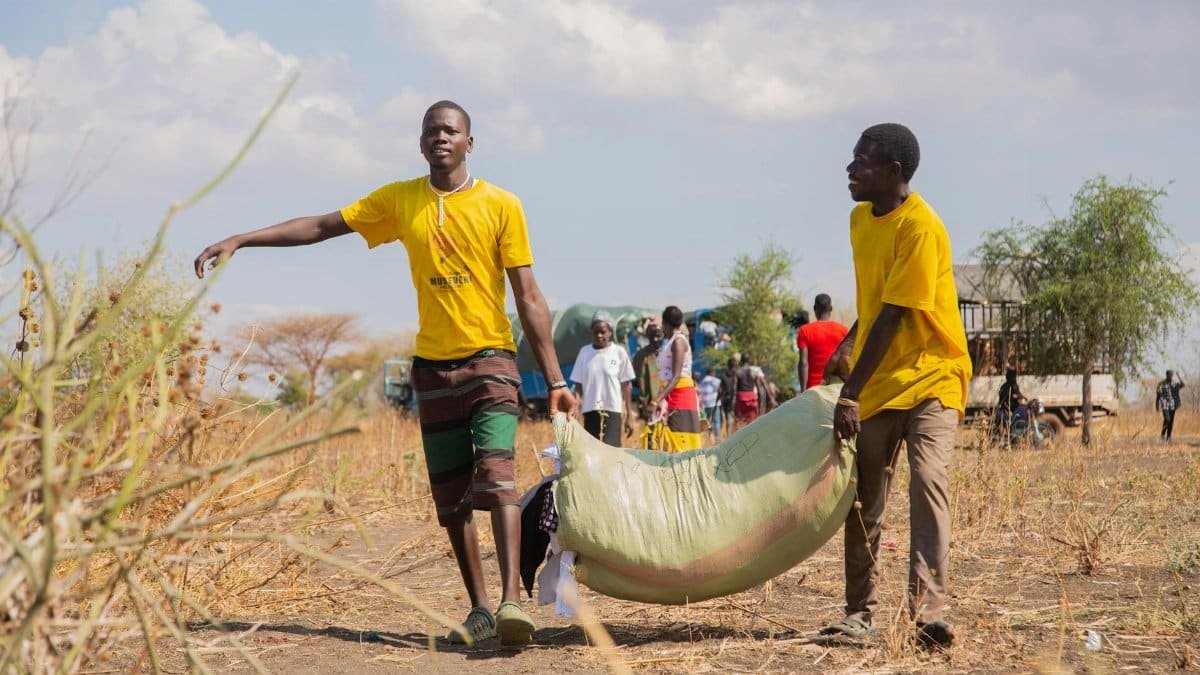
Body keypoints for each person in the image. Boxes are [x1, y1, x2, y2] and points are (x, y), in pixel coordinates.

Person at [193, 101, 574, 647]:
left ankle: (514, 600)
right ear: (421, 144)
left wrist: (557, 381)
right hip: (431, 370)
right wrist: (242, 239)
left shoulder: (501, 205)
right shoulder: (400, 200)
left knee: (497, 480)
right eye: (431, 131)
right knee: (452, 499)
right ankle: (481, 610)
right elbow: (322, 225)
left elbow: (529, 295)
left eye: (451, 130)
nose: (440, 137)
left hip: (490, 359)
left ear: (471, 142)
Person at [819, 123, 971, 649]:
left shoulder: (921, 227)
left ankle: (928, 613)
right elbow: (877, 303)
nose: (850, 168)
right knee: (864, 500)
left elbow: (897, 316)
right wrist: (848, 344)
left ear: (893, 173)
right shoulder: (861, 219)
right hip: (882, 379)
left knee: (928, 482)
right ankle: (858, 614)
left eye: (862, 161)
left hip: (933, 375)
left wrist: (850, 391)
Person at [570, 311, 635, 445]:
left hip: (612, 411)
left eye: (603, 332)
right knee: (592, 454)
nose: (599, 335)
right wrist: (576, 406)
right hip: (590, 411)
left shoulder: (619, 352)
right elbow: (578, 385)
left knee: (611, 454)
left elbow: (626, 386)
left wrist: (629, 415)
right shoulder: (584, 352)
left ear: (610, 332)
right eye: (596, 332)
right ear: (591, 332)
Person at [646, 305, 703, 452]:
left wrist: (656, 400)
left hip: (681, 394)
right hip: (671, 393)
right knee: (669, 444)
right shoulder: (670, 342)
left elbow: (676, 376)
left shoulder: (678, 342)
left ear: (665, 323)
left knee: (680, 442)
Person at [796, 294, 850, 392]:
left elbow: (803, 363)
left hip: (813, 390)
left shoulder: (805, 331)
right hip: (836, 388)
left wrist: (803, 390)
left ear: (815, 308)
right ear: (831, 308)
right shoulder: (843, 330)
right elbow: (847, 360)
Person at [632, 323, 663, 417]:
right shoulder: (641, 355)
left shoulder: (669, 353)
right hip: (646, 402)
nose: (655, 339)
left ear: (663, 335)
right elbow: (636, 377)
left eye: (658, 336)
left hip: (667, 400)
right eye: (652, 336)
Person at [733, 354, 770, 424]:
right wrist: (760, 403)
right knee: (752, 423)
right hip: (752, 398)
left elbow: (734, 389)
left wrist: (733, 402)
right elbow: (759, 389)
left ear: (741, 361)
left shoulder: (738, 372)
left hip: (740, 398)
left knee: (740, 422)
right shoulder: (753, 372)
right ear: (749, 361)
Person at [1156, 369, 1185, 442]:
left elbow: (1183, 385)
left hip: (1173, 405)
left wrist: (1178, 376)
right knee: (1167, 419)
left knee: (1171, 421)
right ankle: (1162, 435)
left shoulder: (1174, 383)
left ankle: (1169, 437)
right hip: (1165, 404)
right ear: (1167, 375)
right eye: (1170, 375)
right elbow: (1158, 395)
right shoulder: (1161, 383)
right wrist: (1156, 405)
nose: (1171, 376)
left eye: (1172, 375)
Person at [696, 366, 723, 442]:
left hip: (705, 404)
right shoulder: (715, 380)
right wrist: (720, 398)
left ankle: (709, 438)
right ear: (712, 372)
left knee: (708, 422)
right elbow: (721, 389)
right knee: (716, 421)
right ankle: (717, 438)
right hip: (714, 403)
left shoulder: (703, 381)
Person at [994, 368, 1024, 434]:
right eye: (1015, 376)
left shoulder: (1004, 385)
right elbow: (1017, 394)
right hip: (1010, 407)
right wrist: (1021, 397)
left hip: (1003, 407)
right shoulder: (1013, 385)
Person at [719, 356, 738, 437]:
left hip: (725, 399)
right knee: (735, 418)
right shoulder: (736, 374)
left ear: (727, 365)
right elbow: (735, 388)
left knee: (727, 419)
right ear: (735, 365)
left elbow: (720, 390)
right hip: (735, 399)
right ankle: (733, 435)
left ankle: (728, 435)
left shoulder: (723, 375)